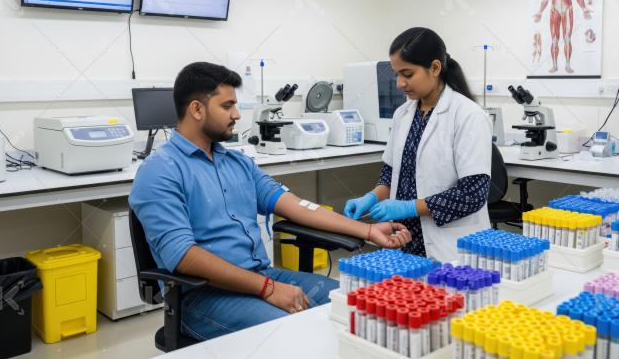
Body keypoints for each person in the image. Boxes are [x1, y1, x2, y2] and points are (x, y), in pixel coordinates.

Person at [129, 62, 412, 341]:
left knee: (354, 307)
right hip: (203, 296)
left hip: (261, 275)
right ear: (197, 109)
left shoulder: (238, 163)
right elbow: (184, 256)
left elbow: (296, 205)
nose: (237, 114)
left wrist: (366, 230)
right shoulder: (160, 171)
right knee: (295, 335)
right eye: (227, 106)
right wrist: (267, 288)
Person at [343, 27, 493, 263]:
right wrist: (371, 197)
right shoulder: (403, 114)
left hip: (449, 244)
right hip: (405, 237)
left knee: (447, 297)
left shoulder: (468, 115)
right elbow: (391, 173)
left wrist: (409, 207)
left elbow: (472, 195)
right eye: (396, 75)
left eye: (408, 74)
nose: (400, 83)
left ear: (435, 68)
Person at [533, 0, 592, 74]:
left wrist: (584, 8)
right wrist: (540, 12)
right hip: (554, 10)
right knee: (554, 40)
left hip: (567, 9)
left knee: (567, 39)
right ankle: (555, 65)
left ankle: (567, 65)